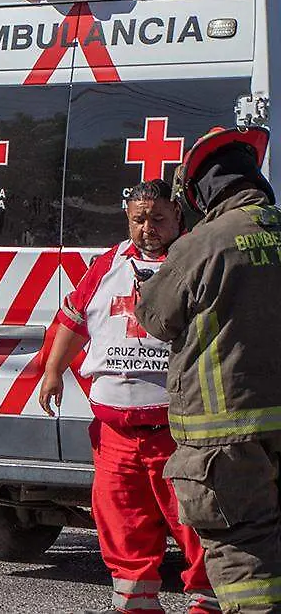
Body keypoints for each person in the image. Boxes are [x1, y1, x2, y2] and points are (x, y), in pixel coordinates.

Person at [39, 180, 217, 614]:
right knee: (122, 524)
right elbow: (73, 319)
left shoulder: (196, 260)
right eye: (139, 219)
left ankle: (208, 602)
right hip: (115, 431)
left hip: (177, 429)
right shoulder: (108, 263)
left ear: (177, 215)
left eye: (157, 218)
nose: (147, 228)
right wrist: (52, 371)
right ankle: (136, 604)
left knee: (196, 521)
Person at [137, 126, 281, 614]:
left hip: (225, 436)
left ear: (200, 192)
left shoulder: (202, 244)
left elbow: (156, 319)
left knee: (245, 557)